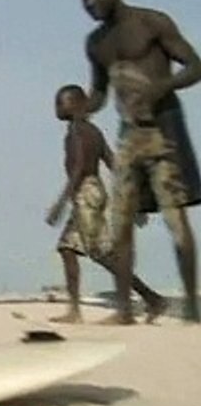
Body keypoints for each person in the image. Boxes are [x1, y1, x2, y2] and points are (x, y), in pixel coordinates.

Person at [80, 0, 201, 323]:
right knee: (122, 221)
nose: (92, 3)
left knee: (175, 218)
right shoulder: (96, 43)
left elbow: (195, 66)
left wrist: (160, 87)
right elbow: (100, 92)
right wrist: (81, 107)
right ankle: (123, 309)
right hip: (128, 135)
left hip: (163, 130)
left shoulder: (151, 23)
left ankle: (192, 305)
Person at [45, 85, 167, 324]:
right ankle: (74, 311)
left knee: (103, 254)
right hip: (90, 192)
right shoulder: (93, 130)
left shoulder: (78, 131)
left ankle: (150, 300)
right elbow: (112, 162)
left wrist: (60, 203)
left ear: (79, 104)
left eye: (62, 102)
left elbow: (79, 168)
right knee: (67, 249)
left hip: (86, 193)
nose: (57, 108)